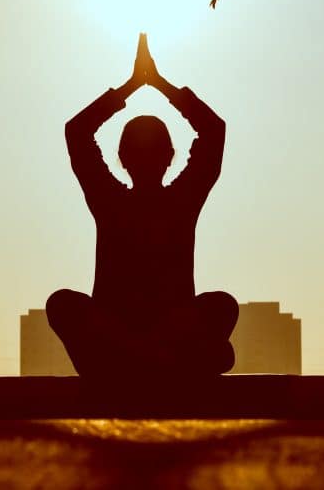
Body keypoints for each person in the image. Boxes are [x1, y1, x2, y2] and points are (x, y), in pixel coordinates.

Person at [47, 34, 239, 378]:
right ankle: (156, 359)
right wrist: (158, 85)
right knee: (62, 304)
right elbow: (213, 130)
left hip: (129, 341)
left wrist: (133, 87)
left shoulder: (113, 199)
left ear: (121, 158)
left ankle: (140, 358)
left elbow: (77, 132)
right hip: (142, 338)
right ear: (171, 157)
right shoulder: (176, 199)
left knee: (222, 305)